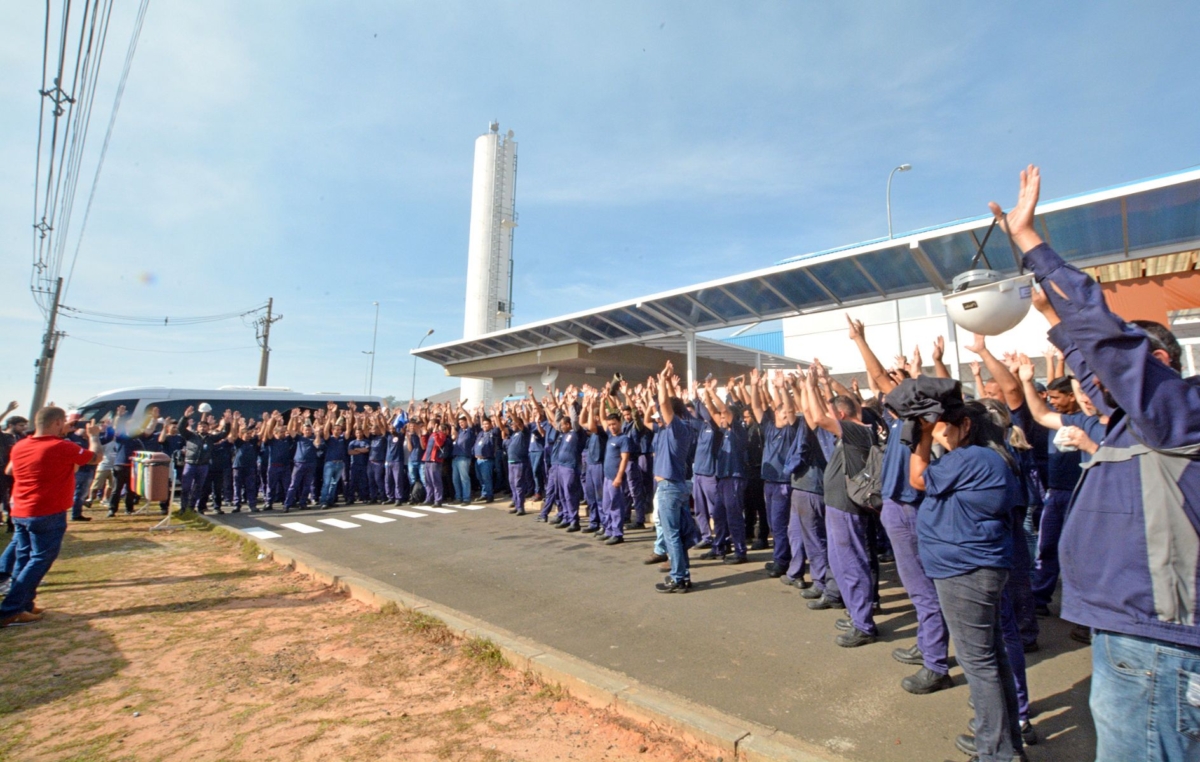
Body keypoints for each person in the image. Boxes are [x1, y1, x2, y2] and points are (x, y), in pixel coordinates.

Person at [990, 165, 1200, 761]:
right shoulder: (1137, 422)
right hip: (1136, 636)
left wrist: (1031, 243)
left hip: (1160, 646)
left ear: (1154, 361)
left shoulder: (1178, 415)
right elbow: (1095, 368)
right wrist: (1054, 321)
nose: (1093, 384)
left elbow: (1108, 347)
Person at [910, 399, 1025, 762]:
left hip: (965, 569)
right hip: (977, 567)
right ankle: (1004, 745)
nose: (941, 428)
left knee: (979, 663)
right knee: (991, 658)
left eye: (948, 424)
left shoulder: (971, 458)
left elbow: (917, 477)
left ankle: (996, 751)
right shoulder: (992, 456)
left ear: (967, 426)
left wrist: (923, 437)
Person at [1, 407, 101, 627]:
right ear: (56, 423)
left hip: (21, 510)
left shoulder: (20, 445)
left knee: (25, 557)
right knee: (39, 559)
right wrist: (94, 436)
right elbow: (95, 457)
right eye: (63, 422)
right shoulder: (61, 446)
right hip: (46, 511)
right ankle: (10, 609)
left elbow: (11, 471)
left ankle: (24, 605)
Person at [802, 362, 880, 647]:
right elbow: (820, 413)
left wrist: (811, 386)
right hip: (836, 507)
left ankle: (864, 624)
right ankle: (856, 614)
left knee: (852, 565)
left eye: (834, 411)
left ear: (843, 414)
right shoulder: (852, 429)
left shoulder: (860, 431)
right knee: (841, 563)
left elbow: (821, 418)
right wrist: (819, 387)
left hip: (847, 508)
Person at [650, 361, 698, 593]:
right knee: (677, 534)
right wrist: (668, 381)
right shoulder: (682, 426)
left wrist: (661, 380)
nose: (659, 415)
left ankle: (678, 578)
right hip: (675, 486)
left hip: (670, 488)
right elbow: (671, 401)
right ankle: (683, 575)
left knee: (672, 536)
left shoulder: (677, 428)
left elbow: (664, 402)